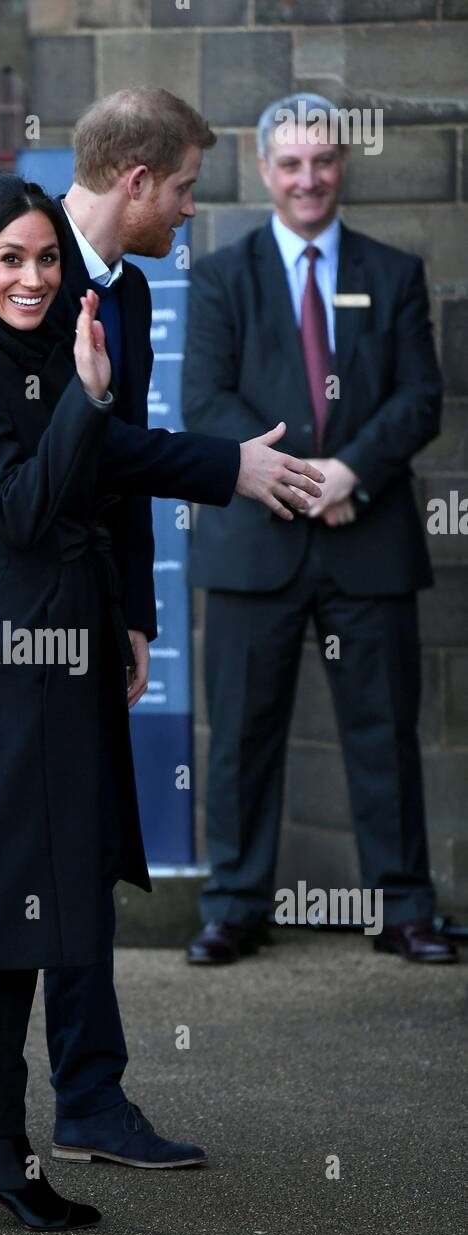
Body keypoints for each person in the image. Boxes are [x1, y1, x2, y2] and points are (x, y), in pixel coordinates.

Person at [0, 89, 325, 1198]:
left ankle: (88, 1097)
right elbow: (59, 465)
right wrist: (226, 467)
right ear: (139, 180)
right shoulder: (9, 296)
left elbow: (116, 459)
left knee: (77, 843)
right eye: (188, 185)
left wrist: (133, 611)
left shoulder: (128, 293)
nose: (191, 208)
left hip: (79, 607)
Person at [182, 92, 457, 967]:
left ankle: (404, 910)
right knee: (241, 739)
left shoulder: (395, 271)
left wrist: (354, 475)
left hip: (367, 540)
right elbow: (206, 404)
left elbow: (420, 399)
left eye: (324, 161)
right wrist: (310, 481)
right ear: (264, 171)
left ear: (344, 166)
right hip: (256, 541)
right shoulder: (223, 276)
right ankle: (233, 908)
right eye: (291, 163)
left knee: (383, 735)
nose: (309, 177)